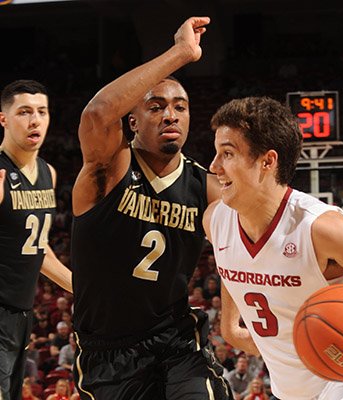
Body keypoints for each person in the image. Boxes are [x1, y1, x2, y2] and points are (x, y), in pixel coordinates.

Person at [203, 96, 343, 400]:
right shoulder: (216, 222)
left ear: (267, 162)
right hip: (294, 392)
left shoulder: (320, 227)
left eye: (227, 153)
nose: (214, 165)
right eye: (216, 153)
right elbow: (232, 306)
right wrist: (241, 330)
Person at [70, 17, 231, 400]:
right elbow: (96, 114)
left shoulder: (206, 186)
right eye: (156, 107)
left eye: (180, 107)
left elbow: (260, 231)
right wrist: (180, 54)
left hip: (175, 340)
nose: (170, 115)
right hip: (108, 350)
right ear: (132, 120)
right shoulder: (110, 169)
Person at [0, 79, 72, 400]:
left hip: (21, 316)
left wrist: (86, 289)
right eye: (24, 112)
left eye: (42, 112)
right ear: (4, 119)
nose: (35, 120)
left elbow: (39, 250)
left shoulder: (49, 173)